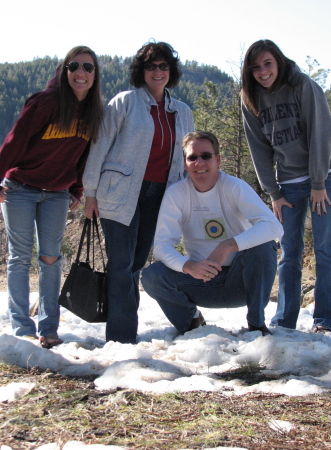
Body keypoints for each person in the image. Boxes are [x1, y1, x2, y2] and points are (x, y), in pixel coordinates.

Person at [83, 41, 194, 344]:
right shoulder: (125, 102)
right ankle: (121, 339)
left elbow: (187, 159)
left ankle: (123, 330)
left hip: (161, 196)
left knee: (135, 265)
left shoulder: (182, 111)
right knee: (121, 264)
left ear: (171, 71)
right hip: (119, 194)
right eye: (150, 66)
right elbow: (99, 146)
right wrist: (90, 192)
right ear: (141, 71)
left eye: (163, 66)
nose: (157, 72)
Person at [0, 46, 103, 348]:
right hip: (20, 187)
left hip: (57, 192)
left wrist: (77, 189)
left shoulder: (94, 112)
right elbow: (14, 142)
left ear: (95, 74)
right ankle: (22, 328)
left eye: (88, 67)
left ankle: (48, 328)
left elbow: (86, 154)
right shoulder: (45, 103)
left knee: (50, 259)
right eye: (74, 66)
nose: (80, 72)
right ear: (65, 71)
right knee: (20, 258)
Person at [141, 131, 283, 336]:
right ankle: (191, 322)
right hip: (201, 280)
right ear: (185, 163)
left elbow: (274, 226)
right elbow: (162, 245)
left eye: (206, 156)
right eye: (192, 157)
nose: (199, 163)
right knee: (152, 275)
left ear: (217, 160)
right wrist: (189, 267)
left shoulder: (235, 187)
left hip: (241, 280)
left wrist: (227, 246)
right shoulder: (176, 194)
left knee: (264, 245)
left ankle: (256, 325)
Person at [241, 39, 331, 333]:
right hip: (289, 184)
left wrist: (318, 182)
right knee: (289, 252)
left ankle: (325, 321)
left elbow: (321, 131)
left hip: (325, 178)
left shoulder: (301, 86)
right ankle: (284, 320)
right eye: (255, 67)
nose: (263, 71)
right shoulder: (251, 97)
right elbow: (258, 149)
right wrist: (274, 193)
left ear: (278, 62)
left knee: (324, 250)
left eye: (268, 63)